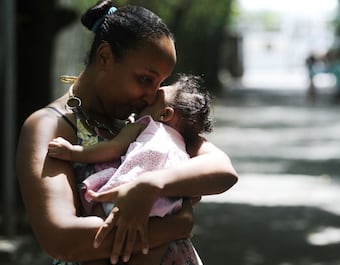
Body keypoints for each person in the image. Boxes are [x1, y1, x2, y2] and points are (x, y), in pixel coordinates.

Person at [16, 1, 238, 265]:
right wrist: (178, 224)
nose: (152, 94)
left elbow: (222, 170)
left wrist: (151, 185)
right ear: (105, 57)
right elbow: (62, 239)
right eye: (145, 79)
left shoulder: (147, 120)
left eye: (159, 84)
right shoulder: (51, 126)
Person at [47, 74, 213, 265]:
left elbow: (112, 148)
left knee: (102, 221)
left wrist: (72, 152)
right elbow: (193, 194)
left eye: (157, 96)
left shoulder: (145, 125)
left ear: (165, 114)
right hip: (166, 207)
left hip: (128, 196)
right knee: (152, 249)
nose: (149, 98)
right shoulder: (184, 147)